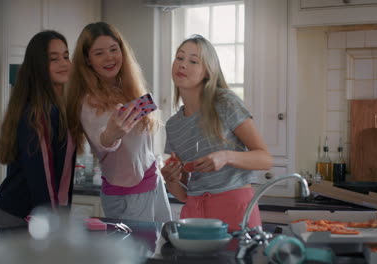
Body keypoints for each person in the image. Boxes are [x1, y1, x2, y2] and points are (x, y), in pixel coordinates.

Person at [161, 35, 273, 231]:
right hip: (194, 215)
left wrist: (226, 156)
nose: (183, 65)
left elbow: (265, 159)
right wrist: (171, 179)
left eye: (193, 61)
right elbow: (183, 194)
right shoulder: (173, 125)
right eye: (179, 58)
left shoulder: (225, 102)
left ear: (207, 72)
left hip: (235, 209)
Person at [67, 22, 172, 222]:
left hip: (152, 182)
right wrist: (111, 134)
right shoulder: (88, 100)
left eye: (114, 50)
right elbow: (102, 141)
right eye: (99, 53)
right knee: (138, 252)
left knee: (160, 248)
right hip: (128, 192)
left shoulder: (128, 88)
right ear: (87, 60)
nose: (110, 57)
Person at [0, 30, 75, 229]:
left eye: (66, 56)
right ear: (38, 66)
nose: (64, 63)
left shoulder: (58, 107)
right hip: (19, 218)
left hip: (34, 216)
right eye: (54, 59)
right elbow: (41, 175)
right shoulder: (38, 112)